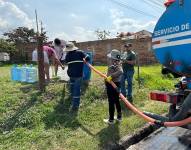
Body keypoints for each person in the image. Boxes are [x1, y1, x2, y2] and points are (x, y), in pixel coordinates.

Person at [64, 42, 90, 111]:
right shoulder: (80, 52)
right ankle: (75, 106)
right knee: (77, 89)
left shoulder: (67, 55)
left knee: (72, 86)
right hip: (78, 74)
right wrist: (84, 60)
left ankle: (72, 98)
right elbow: (88, 58)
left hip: (71, 74)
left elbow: (66, 62)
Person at [104, 49, 123, 124]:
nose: (110, 59)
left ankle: (111, 120)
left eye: (111, 57)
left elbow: (120, 71)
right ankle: (119, 117)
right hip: (115, 84)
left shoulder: (116, 63)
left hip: (112, 85)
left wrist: (110, 76)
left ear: (113, 58)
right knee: (116, 100)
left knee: (111, 101)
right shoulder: (116, 63)